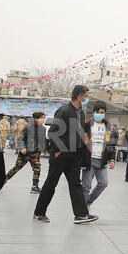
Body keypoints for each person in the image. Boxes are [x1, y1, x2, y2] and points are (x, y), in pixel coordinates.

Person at [33, 85, 97, 224]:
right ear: (79, 97)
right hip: (61, 154)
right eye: (86, 96)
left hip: (74, 155)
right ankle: (39, 213)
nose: (87, 98)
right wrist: (57, 150)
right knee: (51, 184)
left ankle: (81, 214)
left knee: (75, 184)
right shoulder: (64, 111)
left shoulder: (81, 113)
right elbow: (53, 133)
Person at [81, 102, 119, 209]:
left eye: (102, 112)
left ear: (105, 113)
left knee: (103, 183)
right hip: (89, 159)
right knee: (86, 186)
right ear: (93, 112)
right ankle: (83, 210)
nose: (99, 114)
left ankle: (88, 201)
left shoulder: (108, 127)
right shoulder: (87, 125)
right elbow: (81, 143)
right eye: (97, 112)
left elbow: (111, 144)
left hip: (101, 161)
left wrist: (112, 159)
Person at [5, 112, 47, 192]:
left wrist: (44, 149)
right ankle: (4, 179)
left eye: (44, 117)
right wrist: (22, 148)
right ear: (36, 119)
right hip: (25, 152)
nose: (43, 119)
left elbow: (42, 140)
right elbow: (20, 138)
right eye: (41, 118)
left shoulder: (43, 129)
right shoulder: (28, 127)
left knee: (37, 169)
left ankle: (35, 186)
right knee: (16, 168)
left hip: (35, 153)